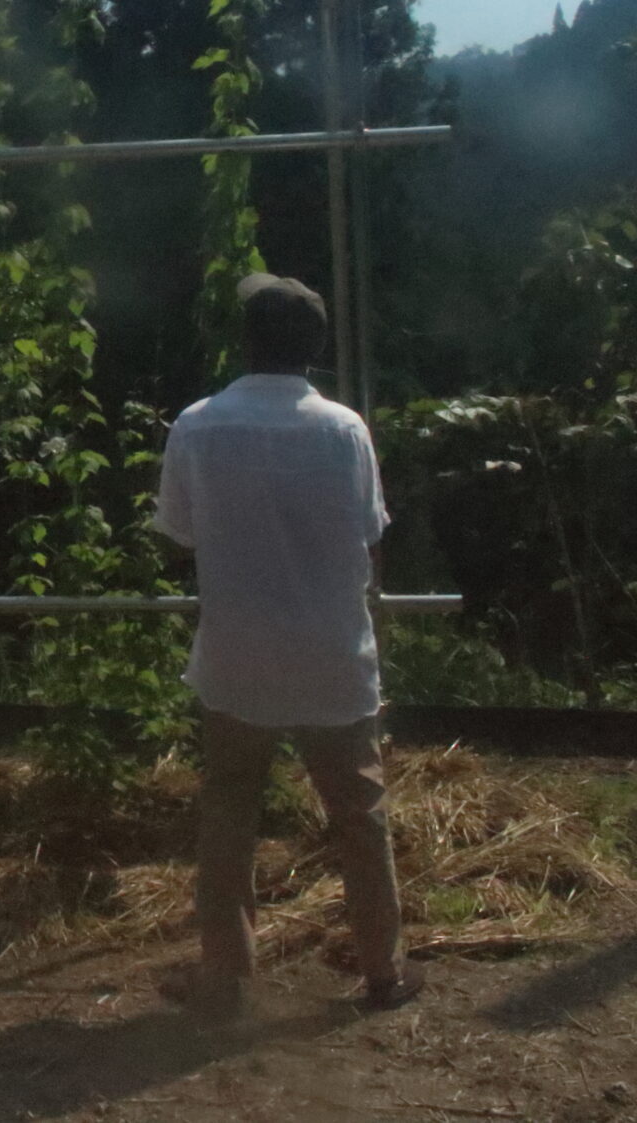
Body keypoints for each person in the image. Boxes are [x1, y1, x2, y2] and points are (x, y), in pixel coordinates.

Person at [151, 273, 421, 1017]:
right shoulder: (346, 430)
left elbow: (176, 536)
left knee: (229, 810)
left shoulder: (197, 425)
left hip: (236, 654)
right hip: (332, 654)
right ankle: (383, 970)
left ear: (245, 340)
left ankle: (224, 975)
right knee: (359, 813)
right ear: (315, 347)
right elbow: (370, 535)